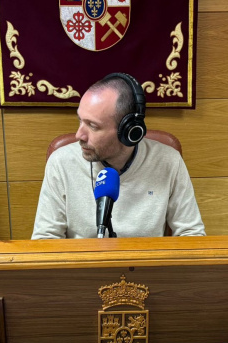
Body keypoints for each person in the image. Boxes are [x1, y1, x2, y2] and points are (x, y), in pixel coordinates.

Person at [32, 72, 205, 239]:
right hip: (84, 266)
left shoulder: (168, 162)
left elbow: (191, 235)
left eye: (93, 126)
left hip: (145, 266)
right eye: (80, 120)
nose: (79, 135)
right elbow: (46, 240)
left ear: (129, 131)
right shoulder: (61, 162)